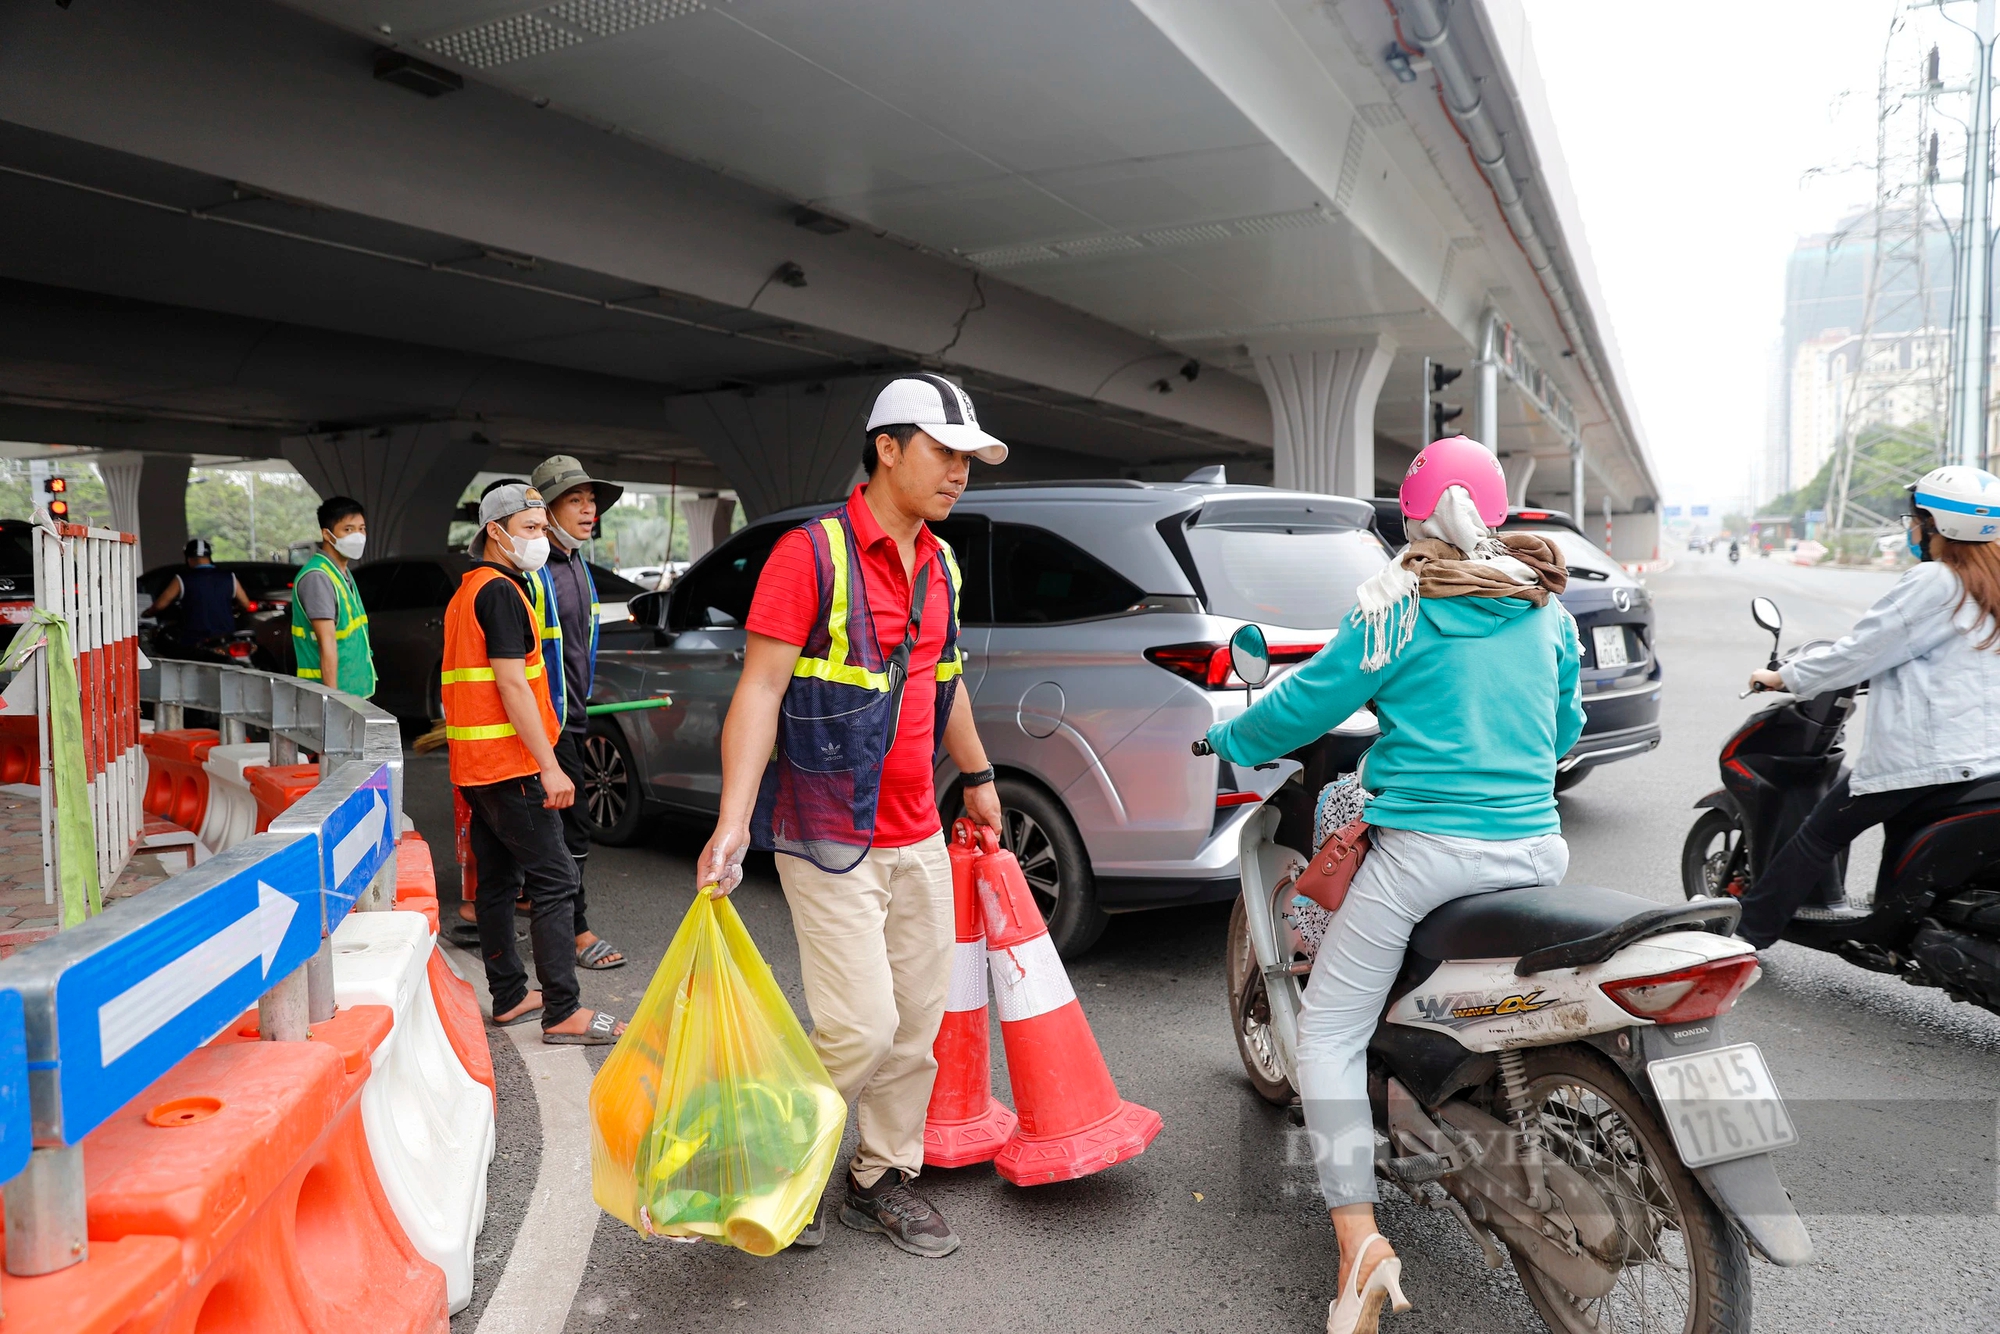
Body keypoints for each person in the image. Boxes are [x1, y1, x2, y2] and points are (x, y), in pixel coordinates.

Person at [1203, 436, 1583, 1334]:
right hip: (1538, 851)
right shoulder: (1546, 609)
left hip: (1431, 854)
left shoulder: (1400, 604)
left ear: (1410, 519)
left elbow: (1310, 704)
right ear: (1493, 514)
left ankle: (1360, 1246)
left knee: (1328, 1032)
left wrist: (1232, 740)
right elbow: (1564, 728)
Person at [695, 374, 1009, 1259]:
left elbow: (939, 682)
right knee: (859, 1025)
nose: (959, 474)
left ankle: (881, 1176)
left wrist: (978, 775)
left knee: (917, 1025)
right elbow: (758, 690)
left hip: (916, 829)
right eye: (945, 453)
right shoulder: (811, 555)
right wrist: (731, 823)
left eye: (967, 460)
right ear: (887, 447)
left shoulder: (940, 562)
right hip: (826, 829)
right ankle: (781, 1168)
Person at [1737, 465, 2000, 947]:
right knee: (1899, 822)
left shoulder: (1934, 582)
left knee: (1819, 836)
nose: (1912, 528)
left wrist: (1783, 676)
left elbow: (1861, 651)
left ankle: (1744, 935)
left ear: (1938, 525)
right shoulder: (1991, 583)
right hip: (1987, 761)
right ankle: (1894, 930)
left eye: (1916, 518)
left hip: (1930, 759)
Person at [443, 482, 623, 1045]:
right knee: (556, 879)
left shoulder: (471, 589)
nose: (540, 538)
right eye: (529, 529)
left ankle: (512, 996)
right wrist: (550, 765)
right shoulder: (499, 592)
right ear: (494, 532)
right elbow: (513, 685)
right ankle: (563, 1012)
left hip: (477, 766)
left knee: (497, 882)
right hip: (511, 764)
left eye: (543, 528)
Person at [526, 454, 627, 972]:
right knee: (573, 828)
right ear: (545, 509)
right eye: (576, 500)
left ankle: (539, 911)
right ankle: (576, 929)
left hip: (571, 717)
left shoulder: (576, 565)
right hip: (546, 721)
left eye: (592, 501)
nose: (589, 510)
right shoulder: (534, 568)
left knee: (552, 831)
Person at [291, 496, 376, 697]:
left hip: (355, 693)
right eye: (348, 529)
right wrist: (333, 702)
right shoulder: (318, 577)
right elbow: (326, 642)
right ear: (327, 535)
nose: (358, 536)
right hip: (336, 697)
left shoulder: (341, 572)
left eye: (361, 528)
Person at [148, 538, 252, 657]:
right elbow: (246, 604)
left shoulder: (182, 579)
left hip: (194, 640)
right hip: (226, 638)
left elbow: (160, 605)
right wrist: (235, 610)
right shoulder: (229, 577)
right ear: (209, 556)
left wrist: (147, 613)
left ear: (188, 558)